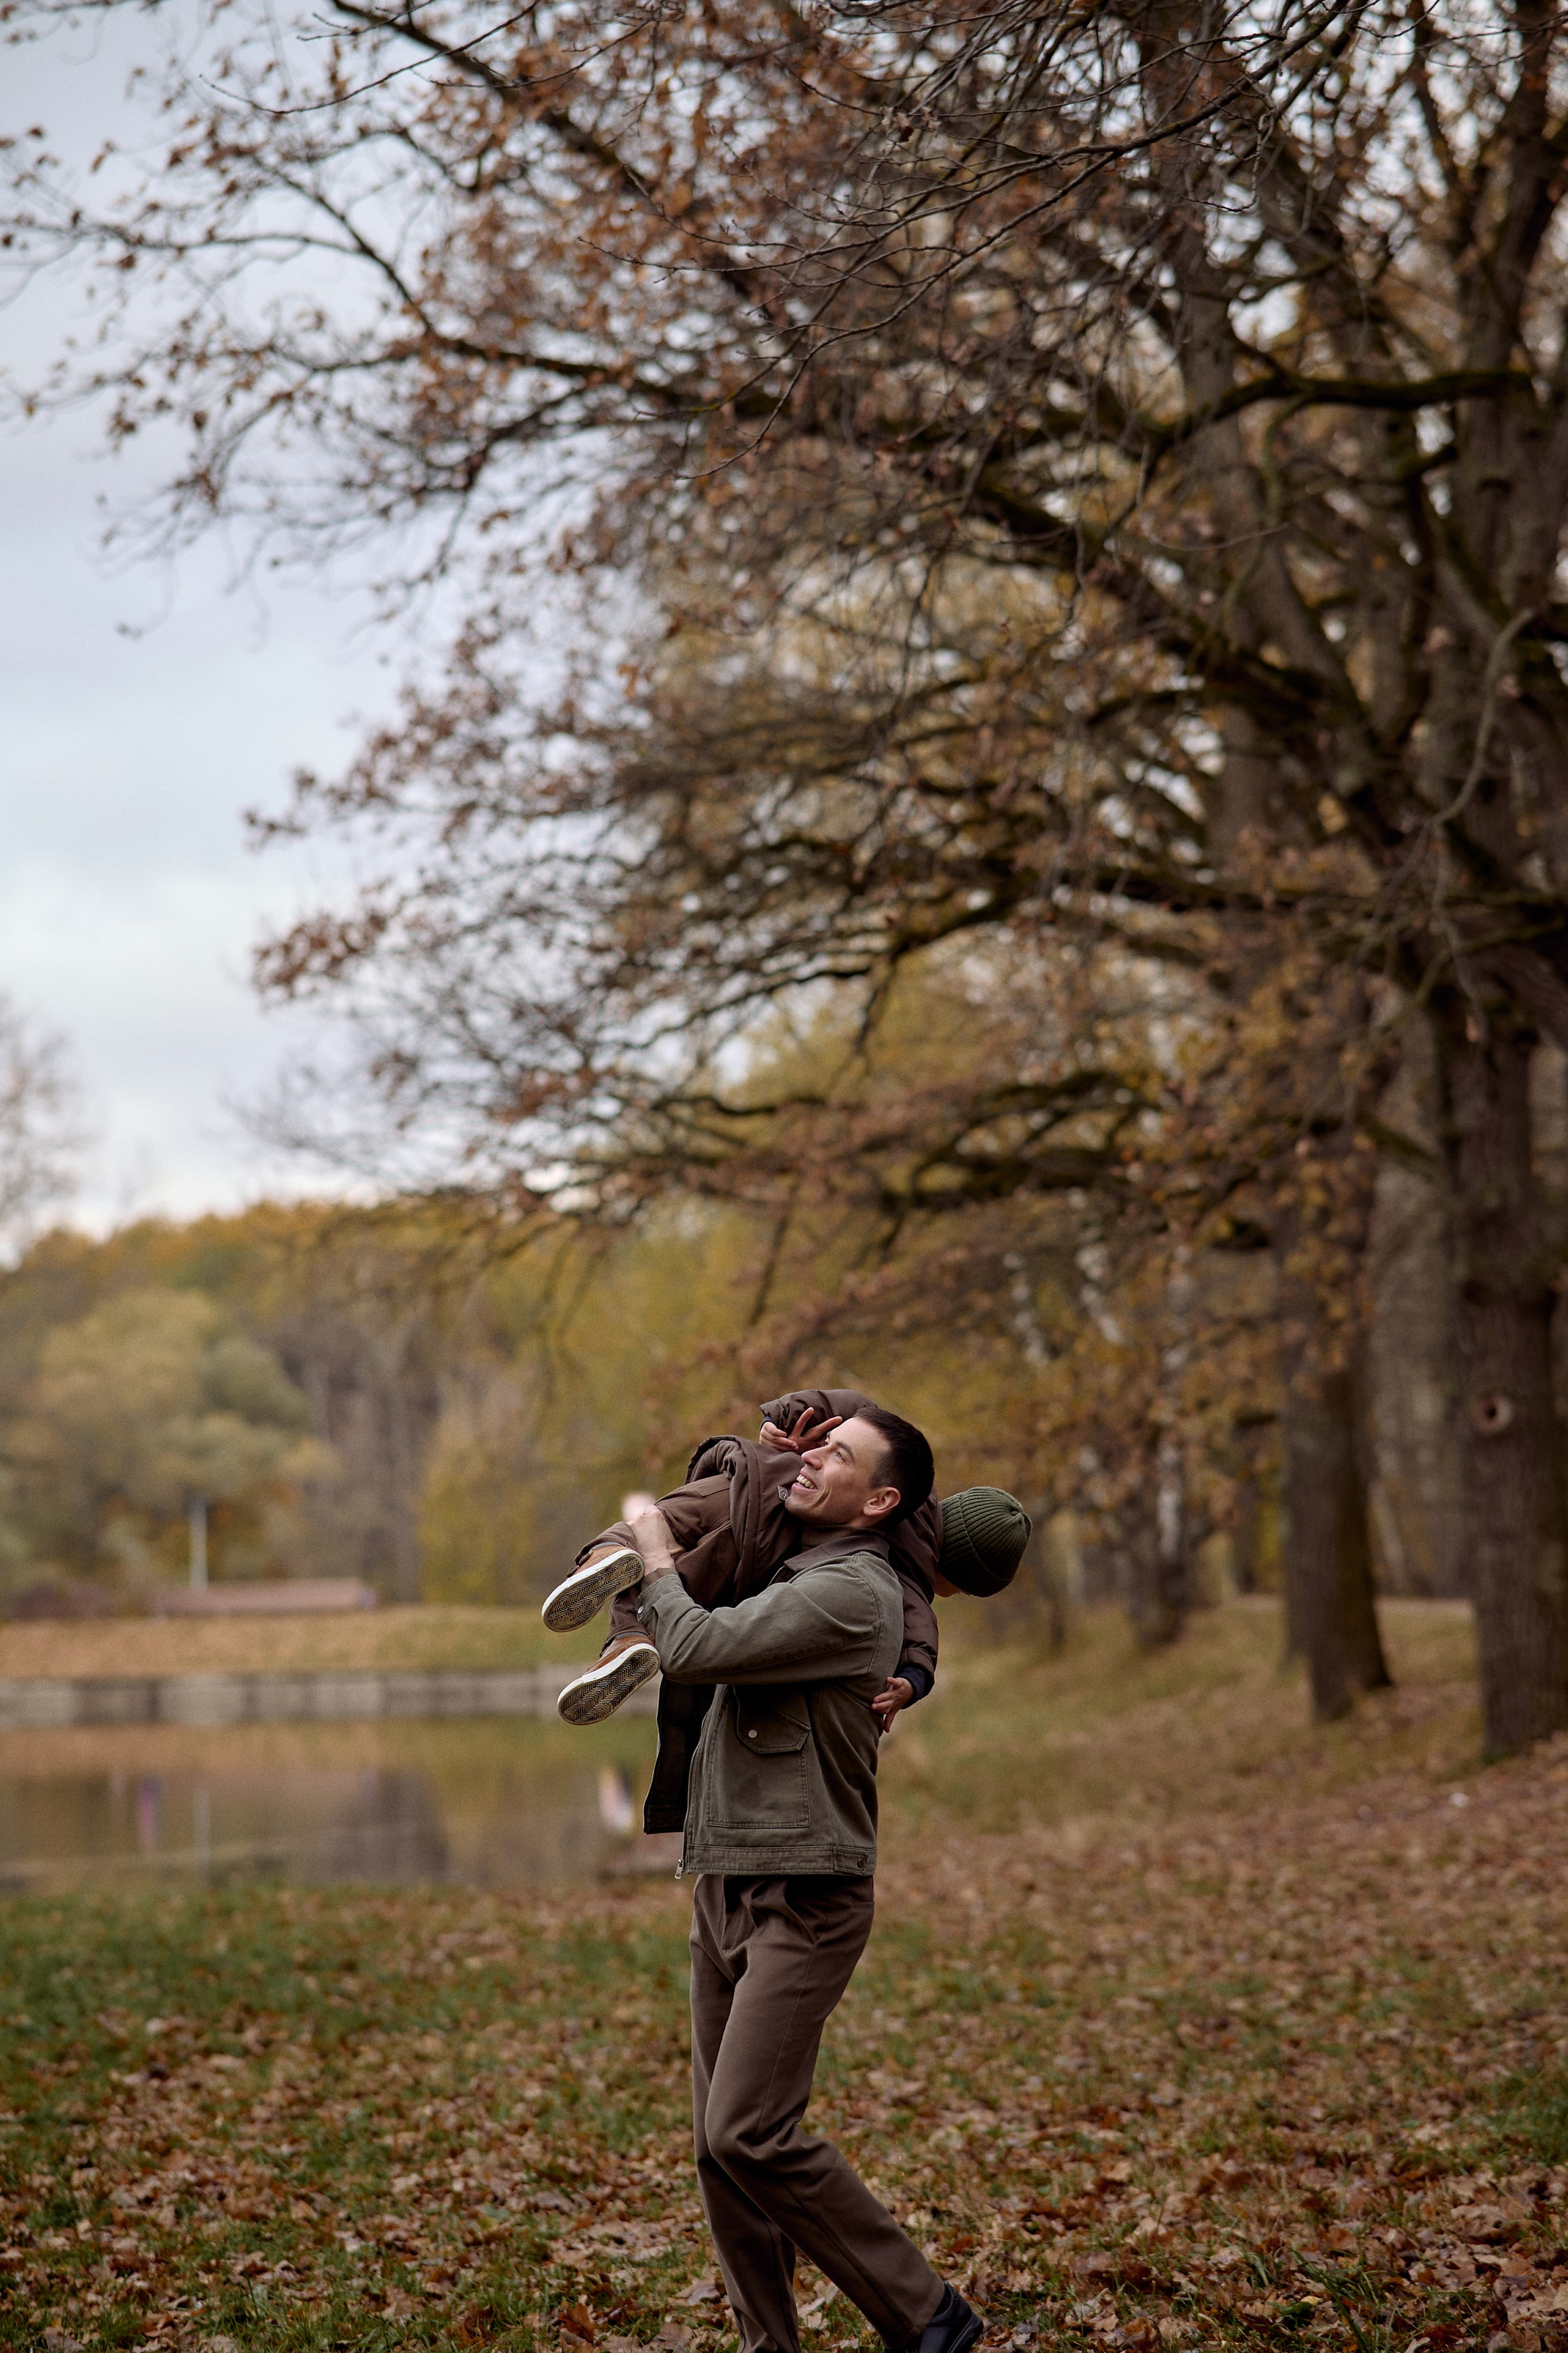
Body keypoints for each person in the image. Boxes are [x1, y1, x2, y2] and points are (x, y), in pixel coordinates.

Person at [627, 1404, 985, 2353]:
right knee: (716, 2149)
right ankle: (767, 2345)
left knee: (750, 2129)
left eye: (840, 1455)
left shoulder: (855, 1589)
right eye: (820, 1444)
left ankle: (929, 2315)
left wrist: (655, 1552)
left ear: (880, 1500)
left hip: (807, 1893)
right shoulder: (791, 1562)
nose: (815, 1458)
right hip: (728, 1877)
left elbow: (697, 1645)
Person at [541, 1386, 1030, 1826]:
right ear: (960, 1574)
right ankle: (628, 1634)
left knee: (664, 1530)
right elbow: (923, 1635)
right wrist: (914, 1682)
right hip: (766, 1511)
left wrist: (779, 1420)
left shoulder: (876, 1507)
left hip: (751, 1483)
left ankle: (611, 1587)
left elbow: (848, 1403)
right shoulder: (904, 1574)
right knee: (674, 1563)